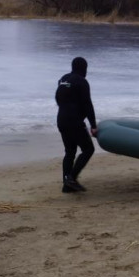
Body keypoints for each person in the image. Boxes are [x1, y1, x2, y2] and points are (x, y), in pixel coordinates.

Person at [55, 56, 97, 193]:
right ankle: (71, 178)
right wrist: (93, 125)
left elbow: (58, 98)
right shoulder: (82, 82)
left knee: (70, 152)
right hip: (74, 121)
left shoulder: (63, 79)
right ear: (84, 68)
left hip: (61, 119)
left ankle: (67, 185)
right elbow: (87, 104)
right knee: (88, 149)